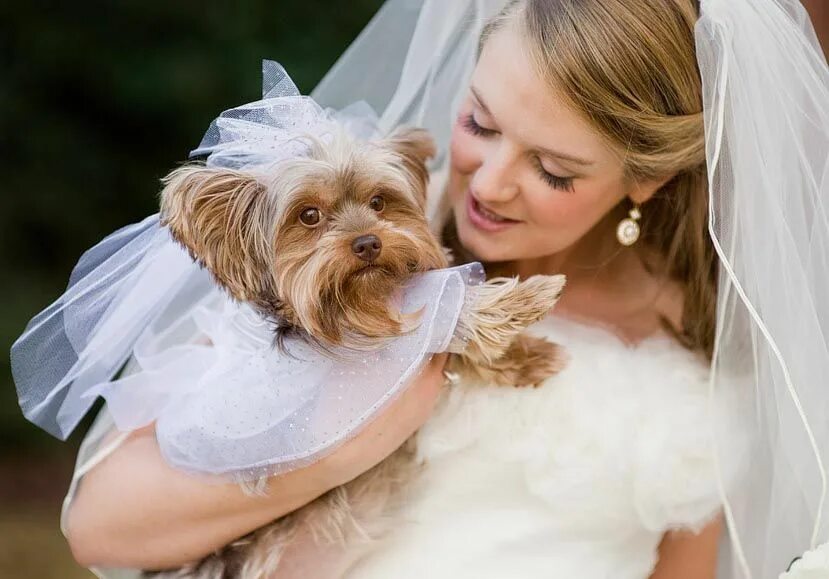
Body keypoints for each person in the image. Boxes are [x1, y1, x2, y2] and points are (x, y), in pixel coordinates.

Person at [21, 0, 828, 578]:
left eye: (552, 169)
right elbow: (100, 524)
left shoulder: (718, 315)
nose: (492, 183)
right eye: (479, 122)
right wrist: (355, 437)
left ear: (643, 181)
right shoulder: (341, 260)